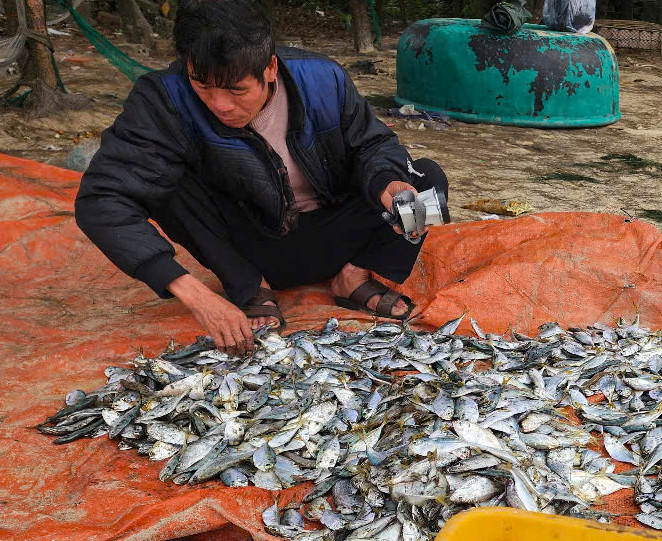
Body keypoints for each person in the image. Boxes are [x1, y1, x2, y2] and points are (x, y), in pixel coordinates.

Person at [74, 0, 448, 356]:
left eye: (236, 89)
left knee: (428, 184)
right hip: (249, 248)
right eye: (202, 85)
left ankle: (354, 277)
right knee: (166, 187)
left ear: (269, 68)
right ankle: (251, 289)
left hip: (336, 237)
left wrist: (390, 184)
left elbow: (373, 144)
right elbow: (101, 199)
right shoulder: (164, 100)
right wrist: (194, 294)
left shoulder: (323, 79)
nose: (219, 104)